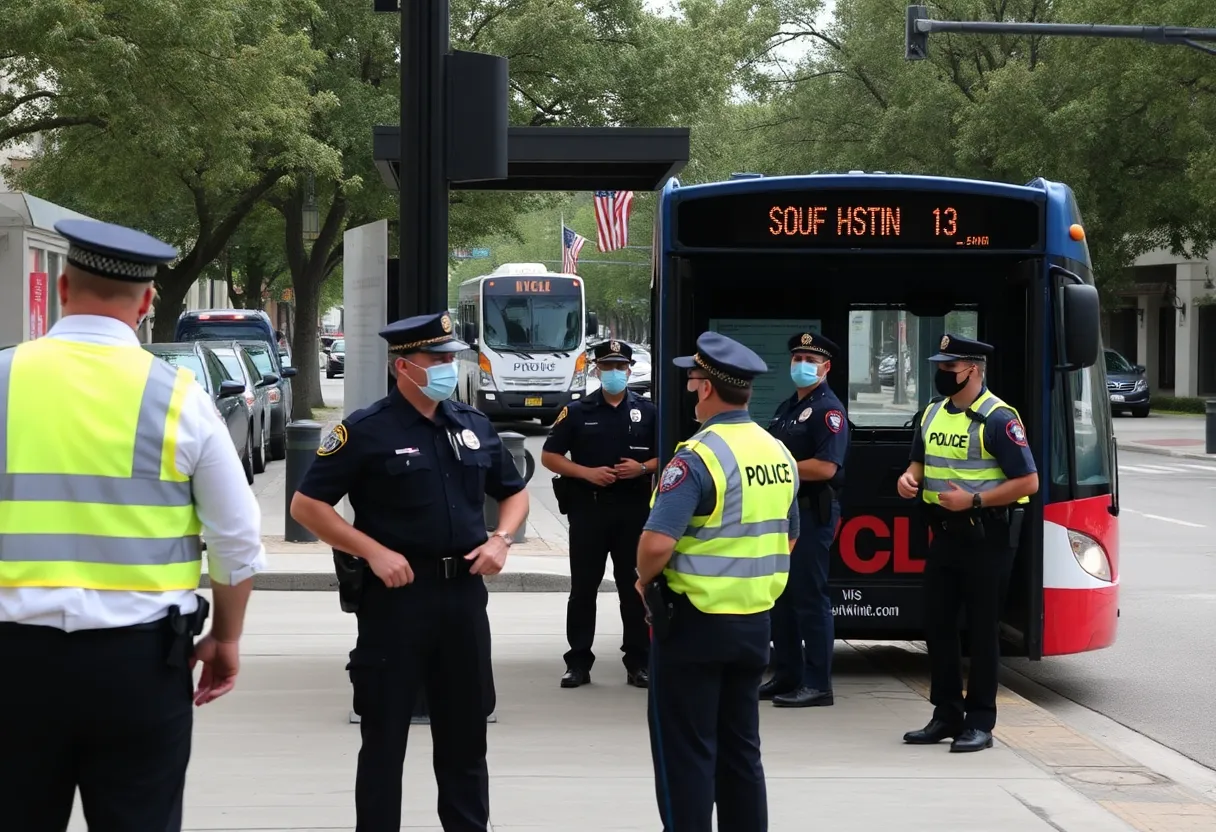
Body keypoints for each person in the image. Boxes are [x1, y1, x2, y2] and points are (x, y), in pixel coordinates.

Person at [0, 219, 265, 831]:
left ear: (62, 287)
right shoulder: (180, 397)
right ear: (146, 304)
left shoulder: (5, 379)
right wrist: (225, 639)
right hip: (138, 669)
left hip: (12, 668)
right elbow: (238, 542)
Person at [289, 311, 529, 832]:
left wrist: (501, 539)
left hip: (463, 599)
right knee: (384, 739)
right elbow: (308, 506)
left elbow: (513, 493)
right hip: (395, 602)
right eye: (437, 359)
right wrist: (371, 550)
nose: (448, 367)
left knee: (466, 739)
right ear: (404, 366)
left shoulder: (472, 425)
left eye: (451, 358)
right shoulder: (366, 430)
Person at [637, 331, 800, 832]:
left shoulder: (697, 457)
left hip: (695, 627)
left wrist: (645, 584)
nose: (690, 387)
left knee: (686, 755)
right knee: (741, 753)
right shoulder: (778, 452)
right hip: (754, 624)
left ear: (707, 388)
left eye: (692, 378)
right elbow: (789, 536)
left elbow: (658, 543)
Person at [896, 334, 1038, 753]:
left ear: (972, 370)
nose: (940, 374)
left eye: (948, 368)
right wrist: (909, 480)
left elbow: (1028, 481)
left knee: (980, 632)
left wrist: (973, 499)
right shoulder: (933, 413)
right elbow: (917, 463)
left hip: (986, 535)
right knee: (938, 627)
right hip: (943, 534)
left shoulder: (998, 418)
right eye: (939, 366)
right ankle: (945, 714)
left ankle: (979, 722)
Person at [541, 339, 657, 689]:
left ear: (630, 369)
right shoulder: (578, 411)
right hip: (589, 510)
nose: (614, 373)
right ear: (596, 370)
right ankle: (578, 662)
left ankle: (638, 662)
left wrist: (642, 467)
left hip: (633, 511)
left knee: (633, 588)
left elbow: (669, 456)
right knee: (583, 589)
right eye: (607, 367)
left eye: (620, 367)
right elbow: (550, 456)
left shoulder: (649, 412)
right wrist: (585, 472)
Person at [763, 332, 848, 708]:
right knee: (780, 598)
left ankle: (818, 684)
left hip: (813, 513)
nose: (802, 365)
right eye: (797, 358)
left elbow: (826, 467)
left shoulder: (829, 410)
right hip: (783, 515)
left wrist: (780, 468)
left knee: (810, 598)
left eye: (810, 360)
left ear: (826, 367)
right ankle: (787, 674)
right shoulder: (788, 407)